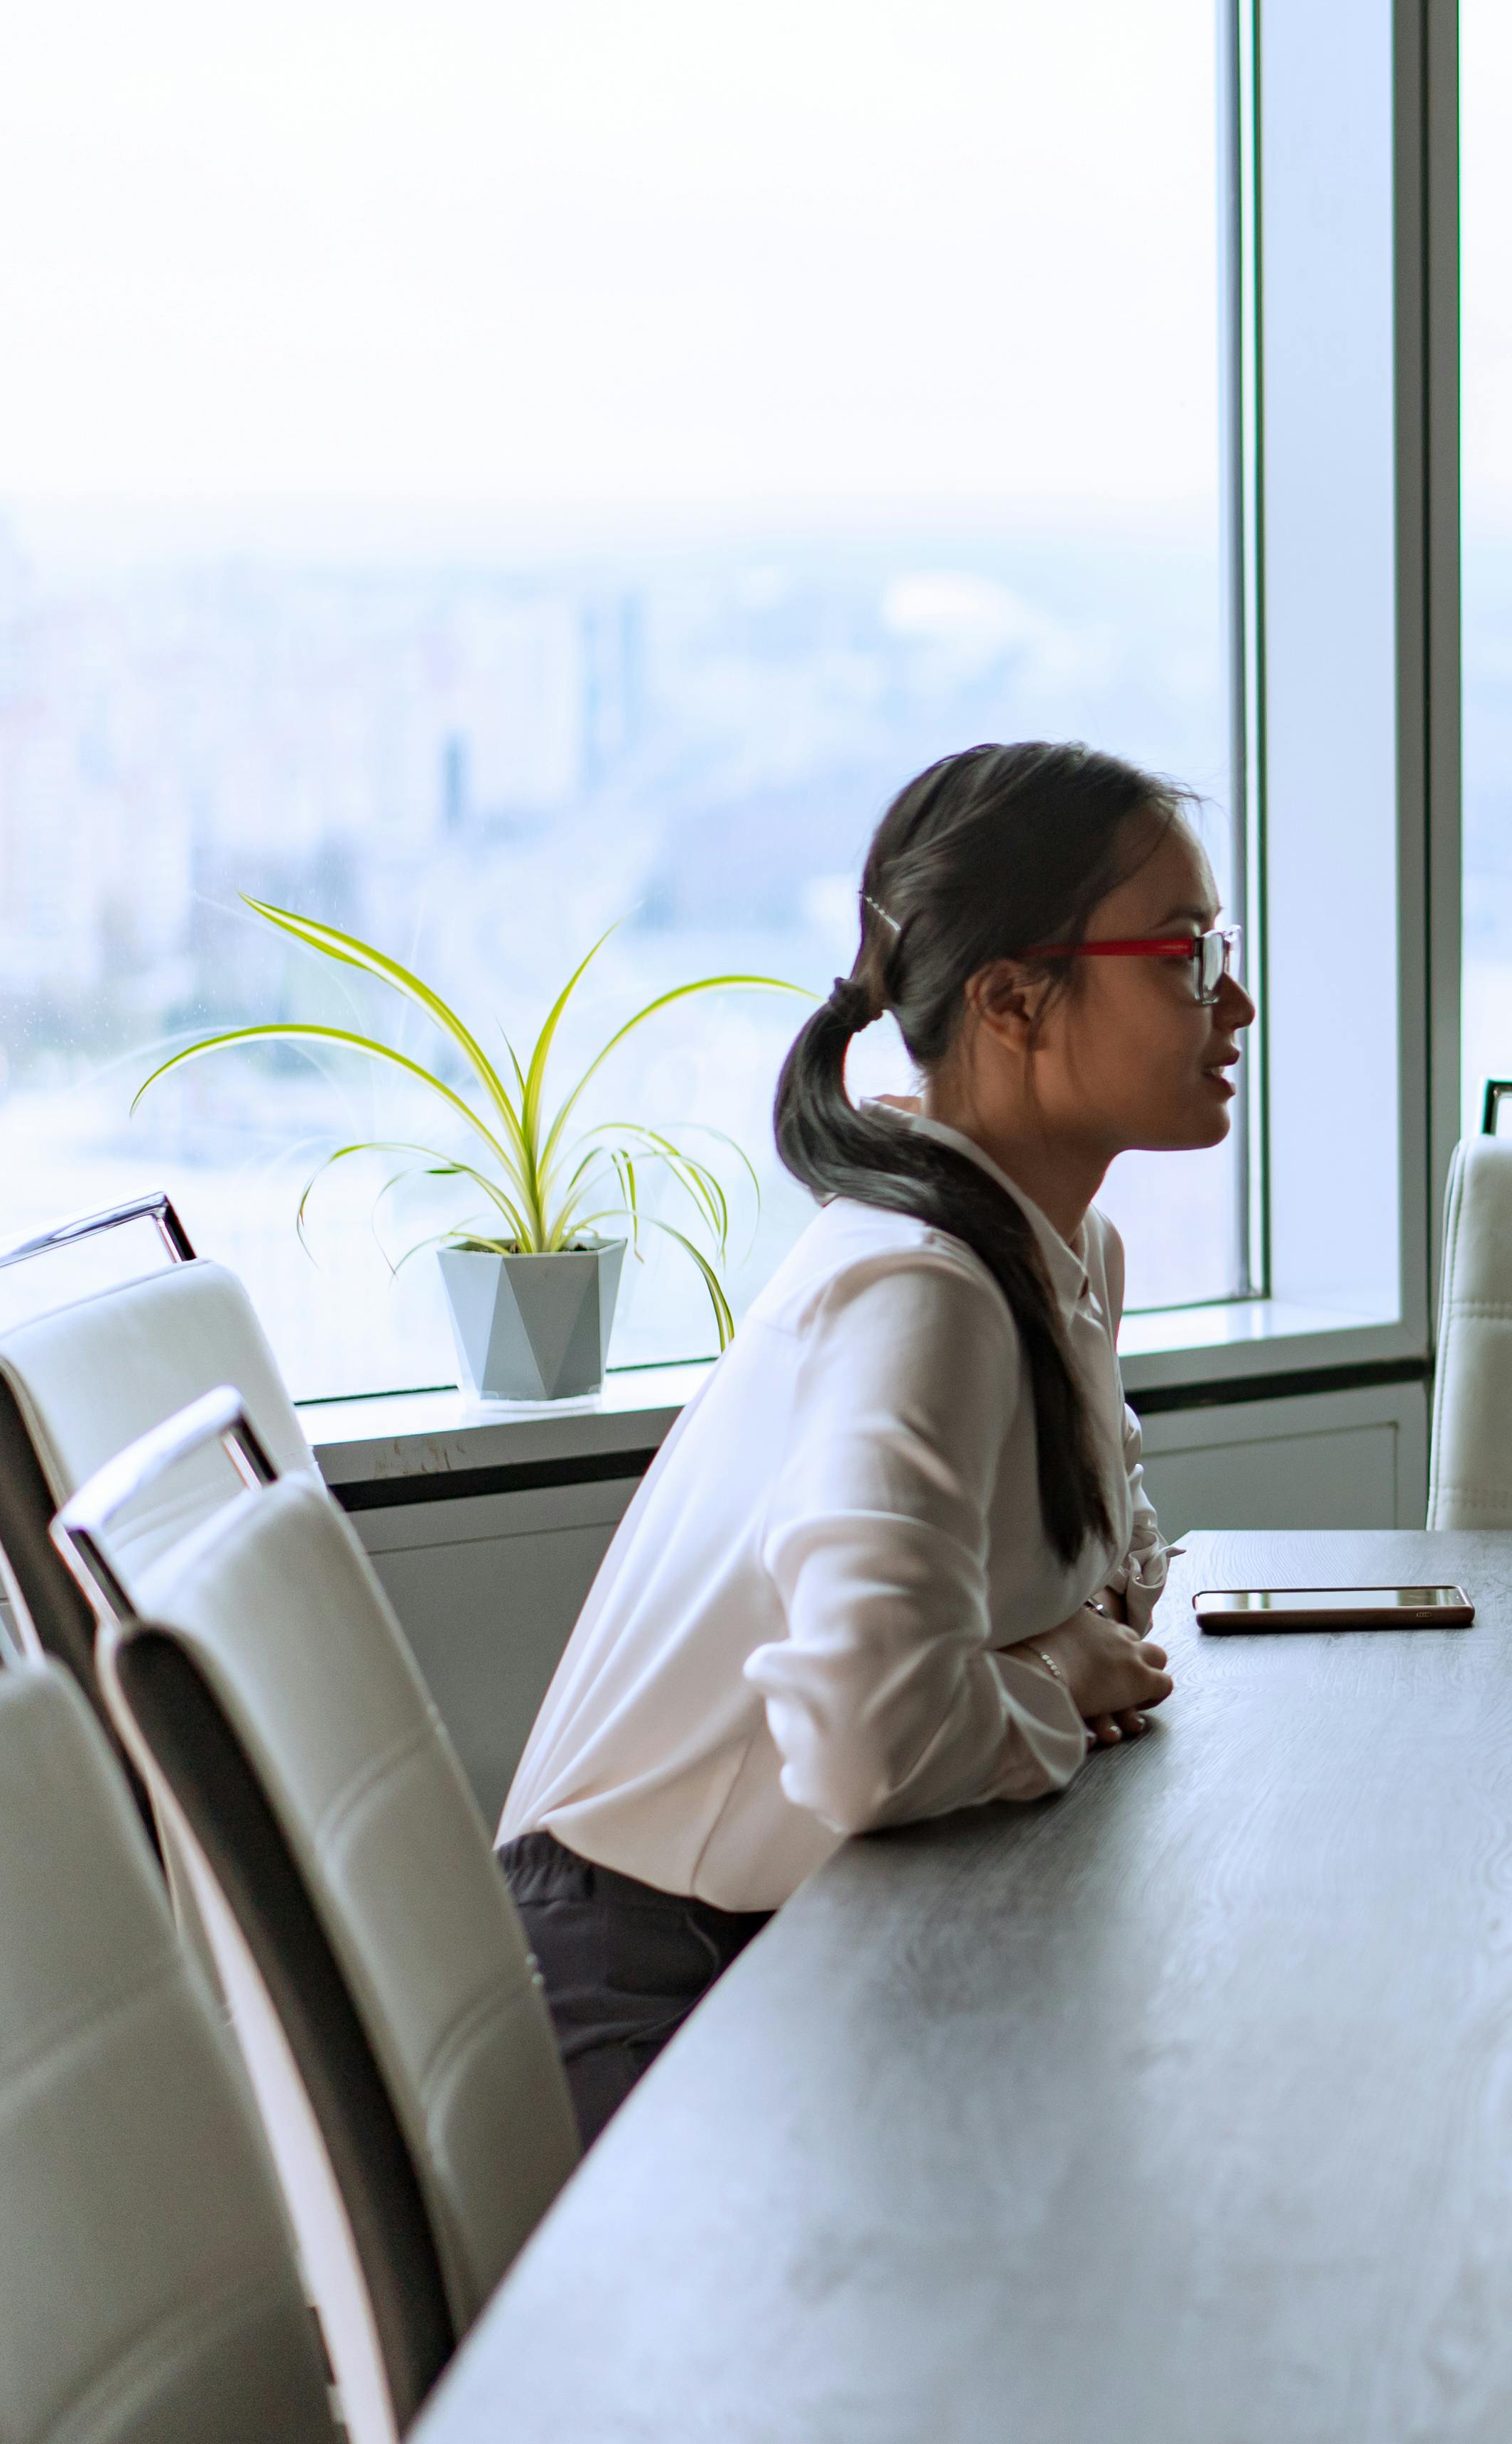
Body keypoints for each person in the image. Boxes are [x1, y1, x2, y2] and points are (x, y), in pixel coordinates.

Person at [493, 740, 1250, 2138]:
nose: (1235, 998)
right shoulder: (922, 1288)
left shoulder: (1052, 1247)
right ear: (1014, 999)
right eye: (1187, 956)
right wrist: (1059, 1673)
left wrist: (1054, 1654)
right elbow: (870, 1744)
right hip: (650, 1979)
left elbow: (1110, 1583)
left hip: (800, 1923)